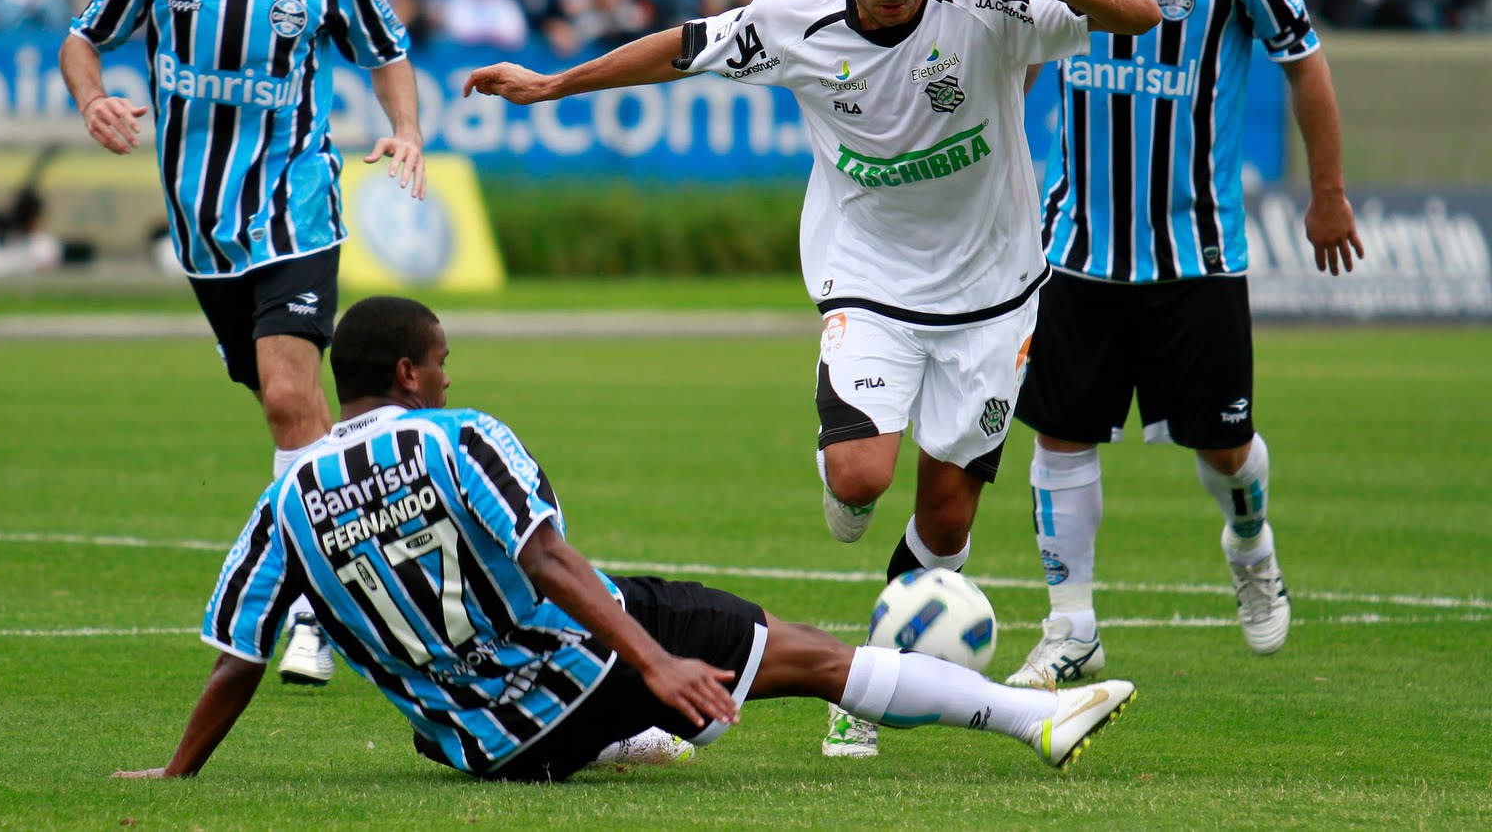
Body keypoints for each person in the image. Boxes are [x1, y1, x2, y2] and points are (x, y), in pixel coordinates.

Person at [462, 0, 1160, 759]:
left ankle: (869, 679)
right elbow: (681, 47)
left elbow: (1141, 15)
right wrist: (555, 84)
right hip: (868, 278)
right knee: (860, 478)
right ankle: (842, 475)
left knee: (947, 521)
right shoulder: (792, 17)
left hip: (993, 296)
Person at [113, 297, 1138, 782]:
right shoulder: (458, 435)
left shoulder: (285, 499)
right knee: (812, 655)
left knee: (586, 658)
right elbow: (547, 557)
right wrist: (654, 660)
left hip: (485, 750)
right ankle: (1030, 718)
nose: (452, 374)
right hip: (586, 676)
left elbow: (239, 655)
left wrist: (177, 772)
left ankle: (640, 729)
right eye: (443, 358)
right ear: (412, 374)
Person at [58, 0, 427, 688]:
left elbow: (387, 50)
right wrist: (92, 98)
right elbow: (81, 39)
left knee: (288, 398)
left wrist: (407, 129)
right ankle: (381, 524)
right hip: (203, 230)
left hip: (297, 205)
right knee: (296, 414)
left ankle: (310, 612)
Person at [1005, 0, 1365, 691]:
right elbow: (1011, 57)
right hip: (1075, 245)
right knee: (1060, 437)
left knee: (1224, 449)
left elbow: (1305, 62)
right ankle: (1071, 625)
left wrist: (1327, 193)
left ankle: (1250, 542)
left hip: (1195, 252)